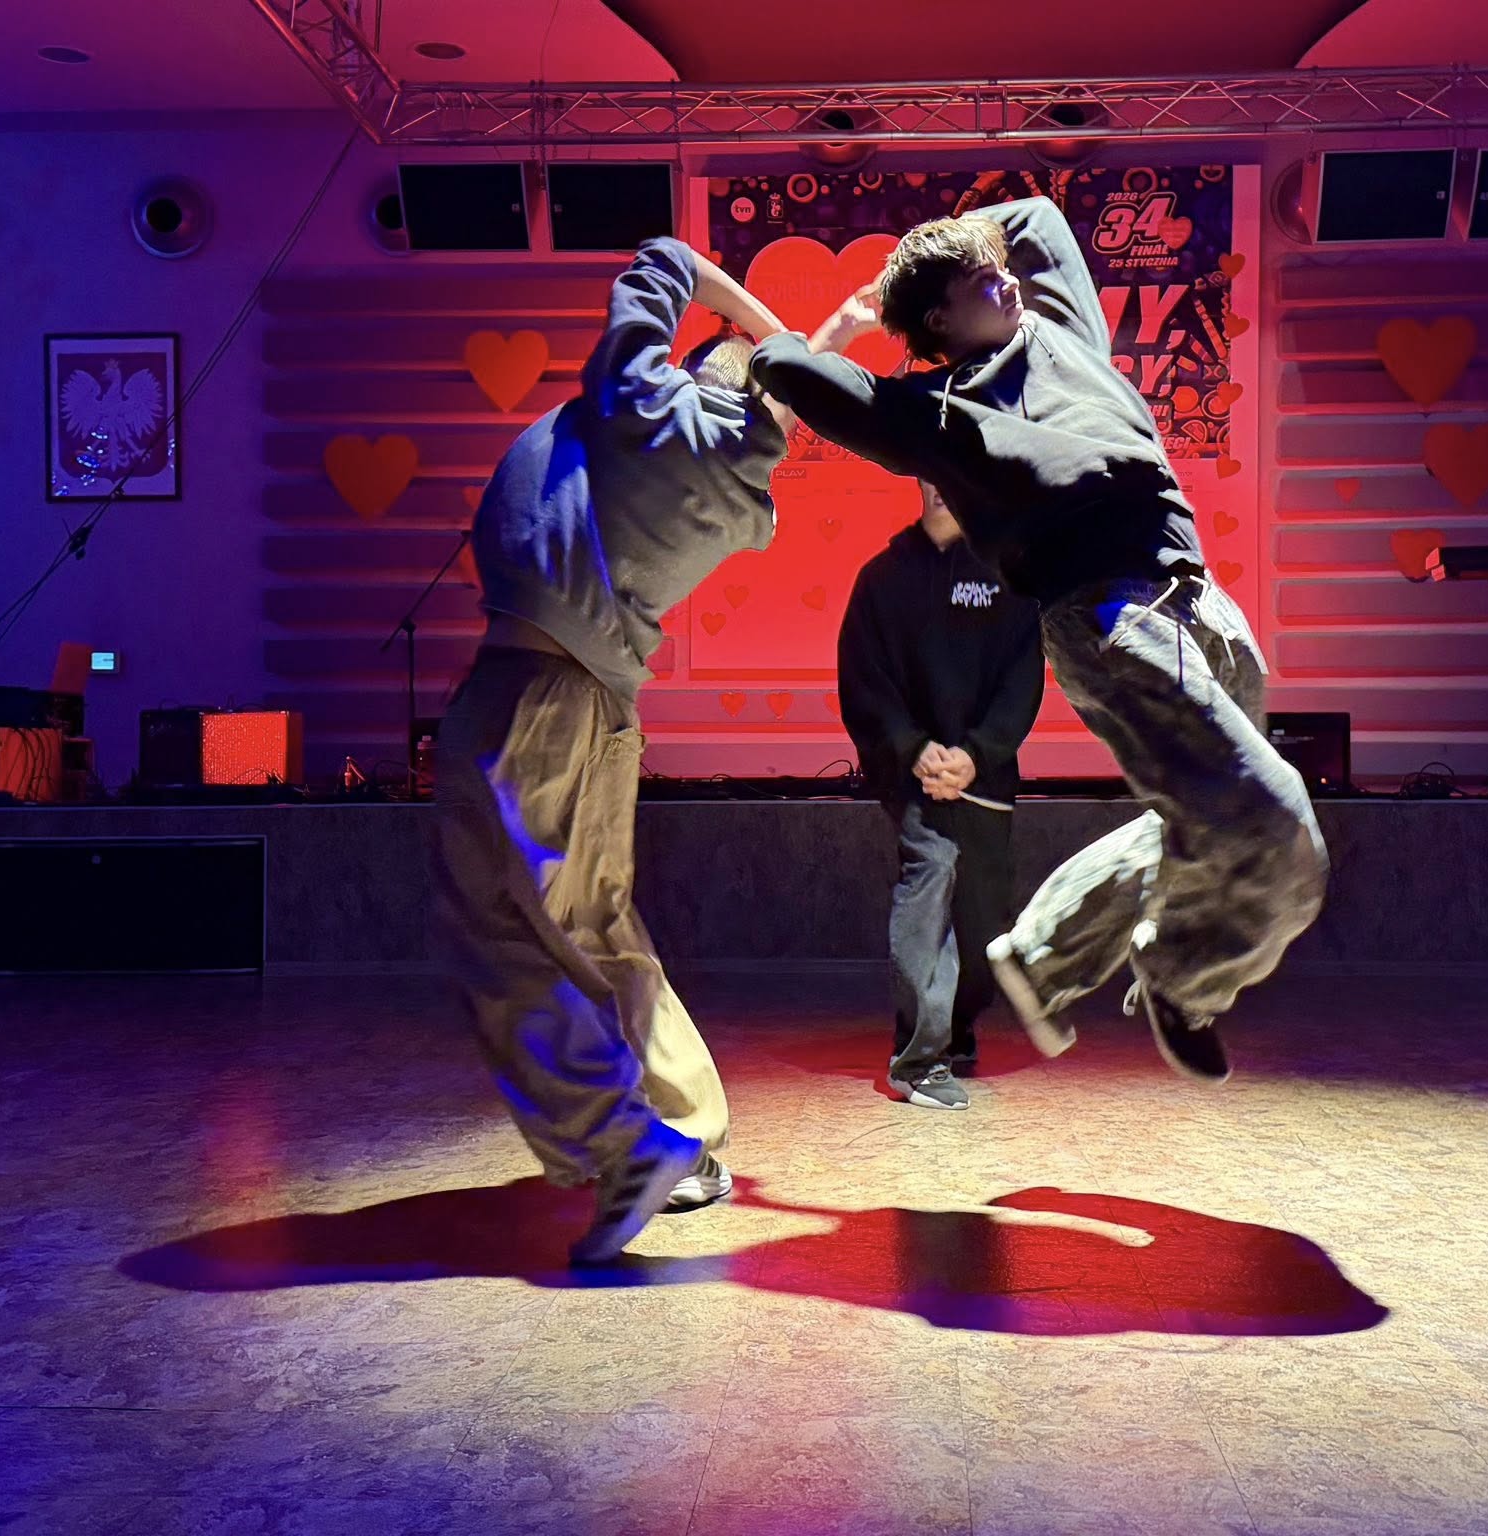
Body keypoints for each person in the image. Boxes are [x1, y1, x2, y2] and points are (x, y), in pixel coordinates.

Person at [750, 198, 1328, 1085]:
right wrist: (845, 319)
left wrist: (943, 243)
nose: (1006, 280)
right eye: (980, 281)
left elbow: (1036, 216)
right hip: (1112, 618)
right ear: (941, 321)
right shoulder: (941, 413)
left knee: (1203, 812)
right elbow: (795, 370)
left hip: (1200, 601)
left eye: (998, 268)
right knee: (1275, 817)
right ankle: (1185, 983)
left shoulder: (1059, 329)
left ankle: (1044, 954)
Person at [433, 236, 801, 1264]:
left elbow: (663, 260)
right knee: (581, 925)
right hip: (556, 693)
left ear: (703, 380)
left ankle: (636, 1140)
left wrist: (762, 322)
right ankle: (672, 1136)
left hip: (540, 694)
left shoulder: (647, 410)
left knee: (524, 937)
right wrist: (798, 357)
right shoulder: (720, 474)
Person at [838, 480, 1043, 1110]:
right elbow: (863, 680)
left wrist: (977, 755)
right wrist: (912, 748)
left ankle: (953, 1027)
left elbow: (1023, 681)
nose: (940, 488)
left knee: (983, 919)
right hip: (915, 779)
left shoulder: (1008, 576)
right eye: (928, 473)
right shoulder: (883, 579)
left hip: (985, 781)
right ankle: (918, 1059)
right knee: (930, 880)